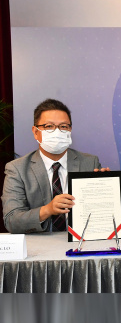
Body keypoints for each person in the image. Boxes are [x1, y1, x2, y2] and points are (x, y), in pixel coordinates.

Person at [2, 99, 105, 233]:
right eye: (49, 126)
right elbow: (12, 220)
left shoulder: (90, 162)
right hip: (39, 247)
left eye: (63, 126)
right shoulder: (17, 169)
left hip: (79, 243)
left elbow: (102, 213)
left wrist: (105, 188)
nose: (57, 132)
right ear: (35, 131)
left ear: (70, 130)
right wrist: (47, 210)